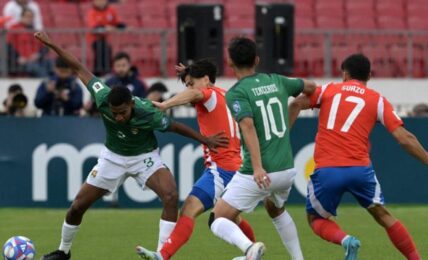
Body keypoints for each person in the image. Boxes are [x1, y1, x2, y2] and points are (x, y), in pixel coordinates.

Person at [34, 31, 228, 260]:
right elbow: (78, 67)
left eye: (123, 113)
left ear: (131, 105)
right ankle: (63, 251)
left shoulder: (145, 110)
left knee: (170, 195)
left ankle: (161, 254)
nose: (118, 117)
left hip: (144, 158)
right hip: (112, 158)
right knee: (77, 206)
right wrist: (52, 43)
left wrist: (204, 139)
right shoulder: (102, 95)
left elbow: (174, 126)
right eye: (114, 113)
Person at [288, 54, 428, 260]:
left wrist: (282, 140)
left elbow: (296, 104)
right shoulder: (377, 100)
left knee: (315, 219)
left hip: (328, 170)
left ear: (344, 74)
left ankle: (346, 240)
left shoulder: (327, 90)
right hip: (360, 171)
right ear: (369, 76)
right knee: (384, 216)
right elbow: (404, 138)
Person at [135, 59, 256, 260]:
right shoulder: (226, 95)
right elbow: (197, 88)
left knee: (189, 209)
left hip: (221, 169)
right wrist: (190, 73)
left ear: (207, 80)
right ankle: (253, 251)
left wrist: (166, 104)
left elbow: (197, 92)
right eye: (187, 84)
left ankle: (162, 256)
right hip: (237, 167)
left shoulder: (207, 95)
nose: (189, 88)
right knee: (232, 217)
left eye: (191, 83)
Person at [209, 37, 316, 260]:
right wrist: (294, 109)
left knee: (217, 219)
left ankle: (249, 249)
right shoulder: (277, 80)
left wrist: (257, 167)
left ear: (229, 62)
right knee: (275, 209)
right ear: (256, 60)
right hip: (286, 170)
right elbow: (311, 88)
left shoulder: (236, 93)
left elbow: (247, 126)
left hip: (259, 173)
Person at [7, 8, 50, 77]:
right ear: (21, 17)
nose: (30, 19)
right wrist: (17, 58)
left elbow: (46, 47)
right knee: (37, 68)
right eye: (27, 16)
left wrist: (38, 54)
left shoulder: (36, 31)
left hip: (36, 61)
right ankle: (47, 84)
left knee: (51, 64)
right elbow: (8, 46)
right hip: (21, 62)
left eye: (31, 17)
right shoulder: (14, 29)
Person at [86, 0, 124, 76]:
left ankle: (108, 72)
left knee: (107, 50)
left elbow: (118, 23)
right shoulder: (92, 12)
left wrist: (122, 27)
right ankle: (98, 73)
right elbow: (94, 26)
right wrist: (105, 27)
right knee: (100, 51)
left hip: (106, 39)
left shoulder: (111, 10)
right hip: (95, 39)